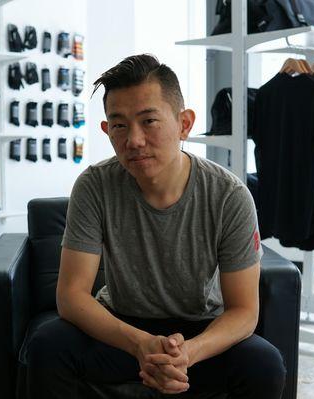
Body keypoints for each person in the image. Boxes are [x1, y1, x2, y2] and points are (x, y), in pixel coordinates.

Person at [24, 54, 286, 398]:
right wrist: (140, 344)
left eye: (149, 121)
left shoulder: (228, 195)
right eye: (119, 125)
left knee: (263, 364)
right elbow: (71, 297)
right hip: (121, 326)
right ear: (106, 130)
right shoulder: (94, 186)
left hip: (200, 331)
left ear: (184, 124)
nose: (133, 140)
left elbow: (244, 310)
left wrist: (188, 354)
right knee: (48, 345)